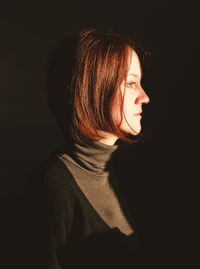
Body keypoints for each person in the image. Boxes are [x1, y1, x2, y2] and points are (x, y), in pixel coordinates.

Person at [25, 28, 150, 269]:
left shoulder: (124, 174)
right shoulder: (54, 189)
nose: (145, 97)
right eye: (132, 83)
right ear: (95, 89)